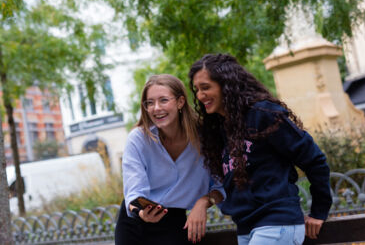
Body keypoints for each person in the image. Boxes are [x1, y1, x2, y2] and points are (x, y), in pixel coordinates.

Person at [189, 53, 332, 245]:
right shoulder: (220, 128)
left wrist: (319, 212)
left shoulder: (263, 114)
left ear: (226, 84)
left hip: (277, 222)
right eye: (196, 90)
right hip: (247, 228)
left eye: (206, 87)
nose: (200, 95)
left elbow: (314, 160)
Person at [115, 74, 224, 245]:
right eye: (150, 103)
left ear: (180, 102)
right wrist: (142, 213)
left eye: (163, 100)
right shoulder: (138, 139)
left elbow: (220, 185)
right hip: (136, 222)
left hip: (175, 221)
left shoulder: (205, 138)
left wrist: (204, 202)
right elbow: (134, 191)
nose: (156, 108)